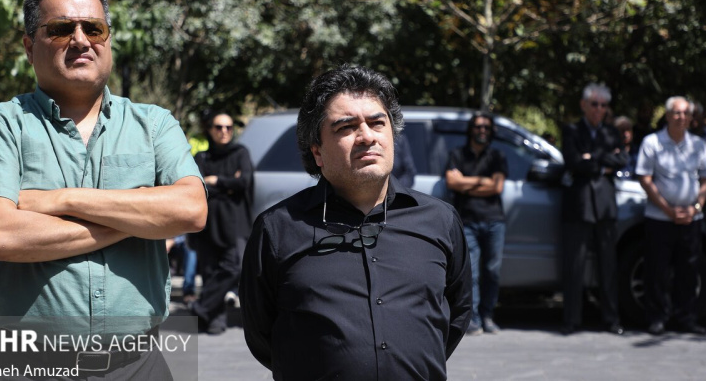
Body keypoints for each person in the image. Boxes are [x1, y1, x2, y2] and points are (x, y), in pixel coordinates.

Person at [0, 0, 207, 378]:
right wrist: (139, 220)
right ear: (29, 47)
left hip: (139, 366)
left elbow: (191, 210)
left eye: (94, 28)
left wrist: (61, 200)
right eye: (61, 29)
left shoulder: (154, 124)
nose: (81, 40)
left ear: (108, 39)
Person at [240, 65, 472, 381]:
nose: (367, 137)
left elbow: (456, 314)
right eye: (346, 127)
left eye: (377, 123)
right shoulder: (278, 229)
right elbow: (261, 332)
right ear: (317, 151)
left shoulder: (440, 220)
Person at [636, 97, 706, 336]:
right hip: (659, 218)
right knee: (657, 270)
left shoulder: (698, 145)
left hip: (691, 219)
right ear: (668, 115)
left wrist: (696, 207)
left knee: (688, 270)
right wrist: (667, 209)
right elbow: (645, 178)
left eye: (686, 114)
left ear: (691, 118)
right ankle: (657, 317)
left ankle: (687, 317)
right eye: (677, 113)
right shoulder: (652, 142)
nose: (682, 118)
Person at [561, 83, 627, 336]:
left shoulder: (611, 132)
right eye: (594, 104)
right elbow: (572, 161)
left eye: (603, 105)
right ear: (584, 105)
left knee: (608, 266)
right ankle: (571, 319)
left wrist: (591, 159)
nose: (599, 109)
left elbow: (622, 160)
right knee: (574, 266)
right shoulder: (572, 130)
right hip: (578, 205)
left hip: (605, 206)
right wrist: (602, 163)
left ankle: (611, 319)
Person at [190, 111, 254, 335]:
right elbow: (197, 187)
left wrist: (216, 180)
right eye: (219, 127)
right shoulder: (202, 157)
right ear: (210, 130)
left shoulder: (240, 153)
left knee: (234, 267)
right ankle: (213, 320)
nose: (224, 131)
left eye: (228, 127)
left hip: (234, 223)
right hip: (207, 223)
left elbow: (244, 182)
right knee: (209, 271)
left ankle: (200, 307)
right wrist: (228, 185)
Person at [445, 111, 508, 336]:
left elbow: (497, 187)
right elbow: (452, 182)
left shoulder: (497, 156)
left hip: (494, 221)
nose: (482, 130)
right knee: (470, 273)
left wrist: (465, 183)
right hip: (467, 220)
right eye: (478, 126)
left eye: (486, 127)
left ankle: (488, 315)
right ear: (471, 129)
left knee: (492, 271)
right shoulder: (457, 154)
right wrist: (483, 183)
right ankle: (473, 319)